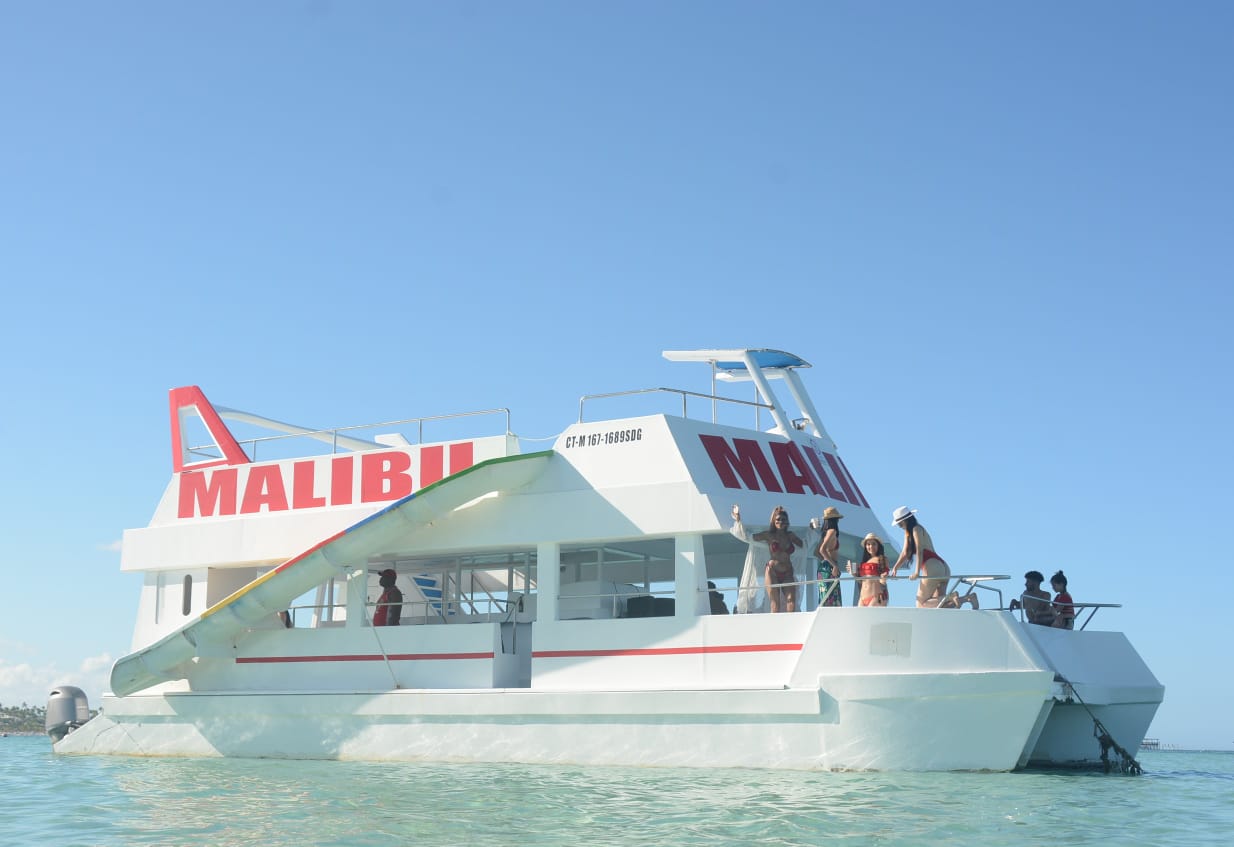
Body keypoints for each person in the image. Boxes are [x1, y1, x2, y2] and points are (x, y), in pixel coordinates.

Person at [732, 504, 805, 613]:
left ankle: (790, 625)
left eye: (783, 519)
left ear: (787, 522)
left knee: (791, 602)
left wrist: (813, 529)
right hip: (772, 571)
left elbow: (803, 545)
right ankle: (774, 627)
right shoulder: (769, 535)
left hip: (788, 572)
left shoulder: (791, 536)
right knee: (775, 604)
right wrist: (738, 520)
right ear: (773, 521)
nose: (780, 521)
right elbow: (749, 537)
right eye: (778, 519)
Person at [889, 506, 951, 607]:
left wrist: (916, 572)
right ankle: (966, 598)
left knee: (921, 604)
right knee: (939, 606)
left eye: (900, 523)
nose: (899, 526)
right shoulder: (909, 532)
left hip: (931, 565)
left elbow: (919, 550)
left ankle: (951, 596)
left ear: (906, 520)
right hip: (942, 566)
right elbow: (905, 552)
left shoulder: (916, 529)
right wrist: (895, 568)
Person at [813, 506, 844, 607]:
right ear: (836, 520)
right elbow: (822, 550)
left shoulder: (825, 533)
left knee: (825, 597)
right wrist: (833, 565)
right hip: (830, 567)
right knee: (832, 597)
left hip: (823, 567)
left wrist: (825, 561)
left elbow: (816, 552)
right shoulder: (832, 531)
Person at [854, 532, 890, 606]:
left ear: (878, 546)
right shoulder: (864, 562)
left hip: (876, 596)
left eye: (874, 544)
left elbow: (883, 580)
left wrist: (883, 579)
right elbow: (861, 581)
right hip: (862, 597)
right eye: (868, 544)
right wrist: (853, 573)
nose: (871, 546)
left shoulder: (882, 559)